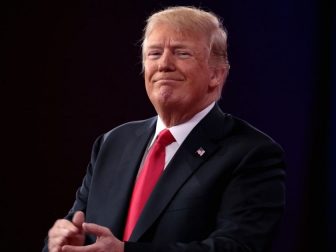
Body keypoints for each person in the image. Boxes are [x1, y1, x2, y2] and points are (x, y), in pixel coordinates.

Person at [43, 6, 286, 252]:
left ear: (216, 74)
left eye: (182, 53)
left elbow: (236, 247)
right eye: (154, 53)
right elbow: (77, 226)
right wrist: (61, 243)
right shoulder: (112, 143)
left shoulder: (251, 154)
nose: (164, 64)